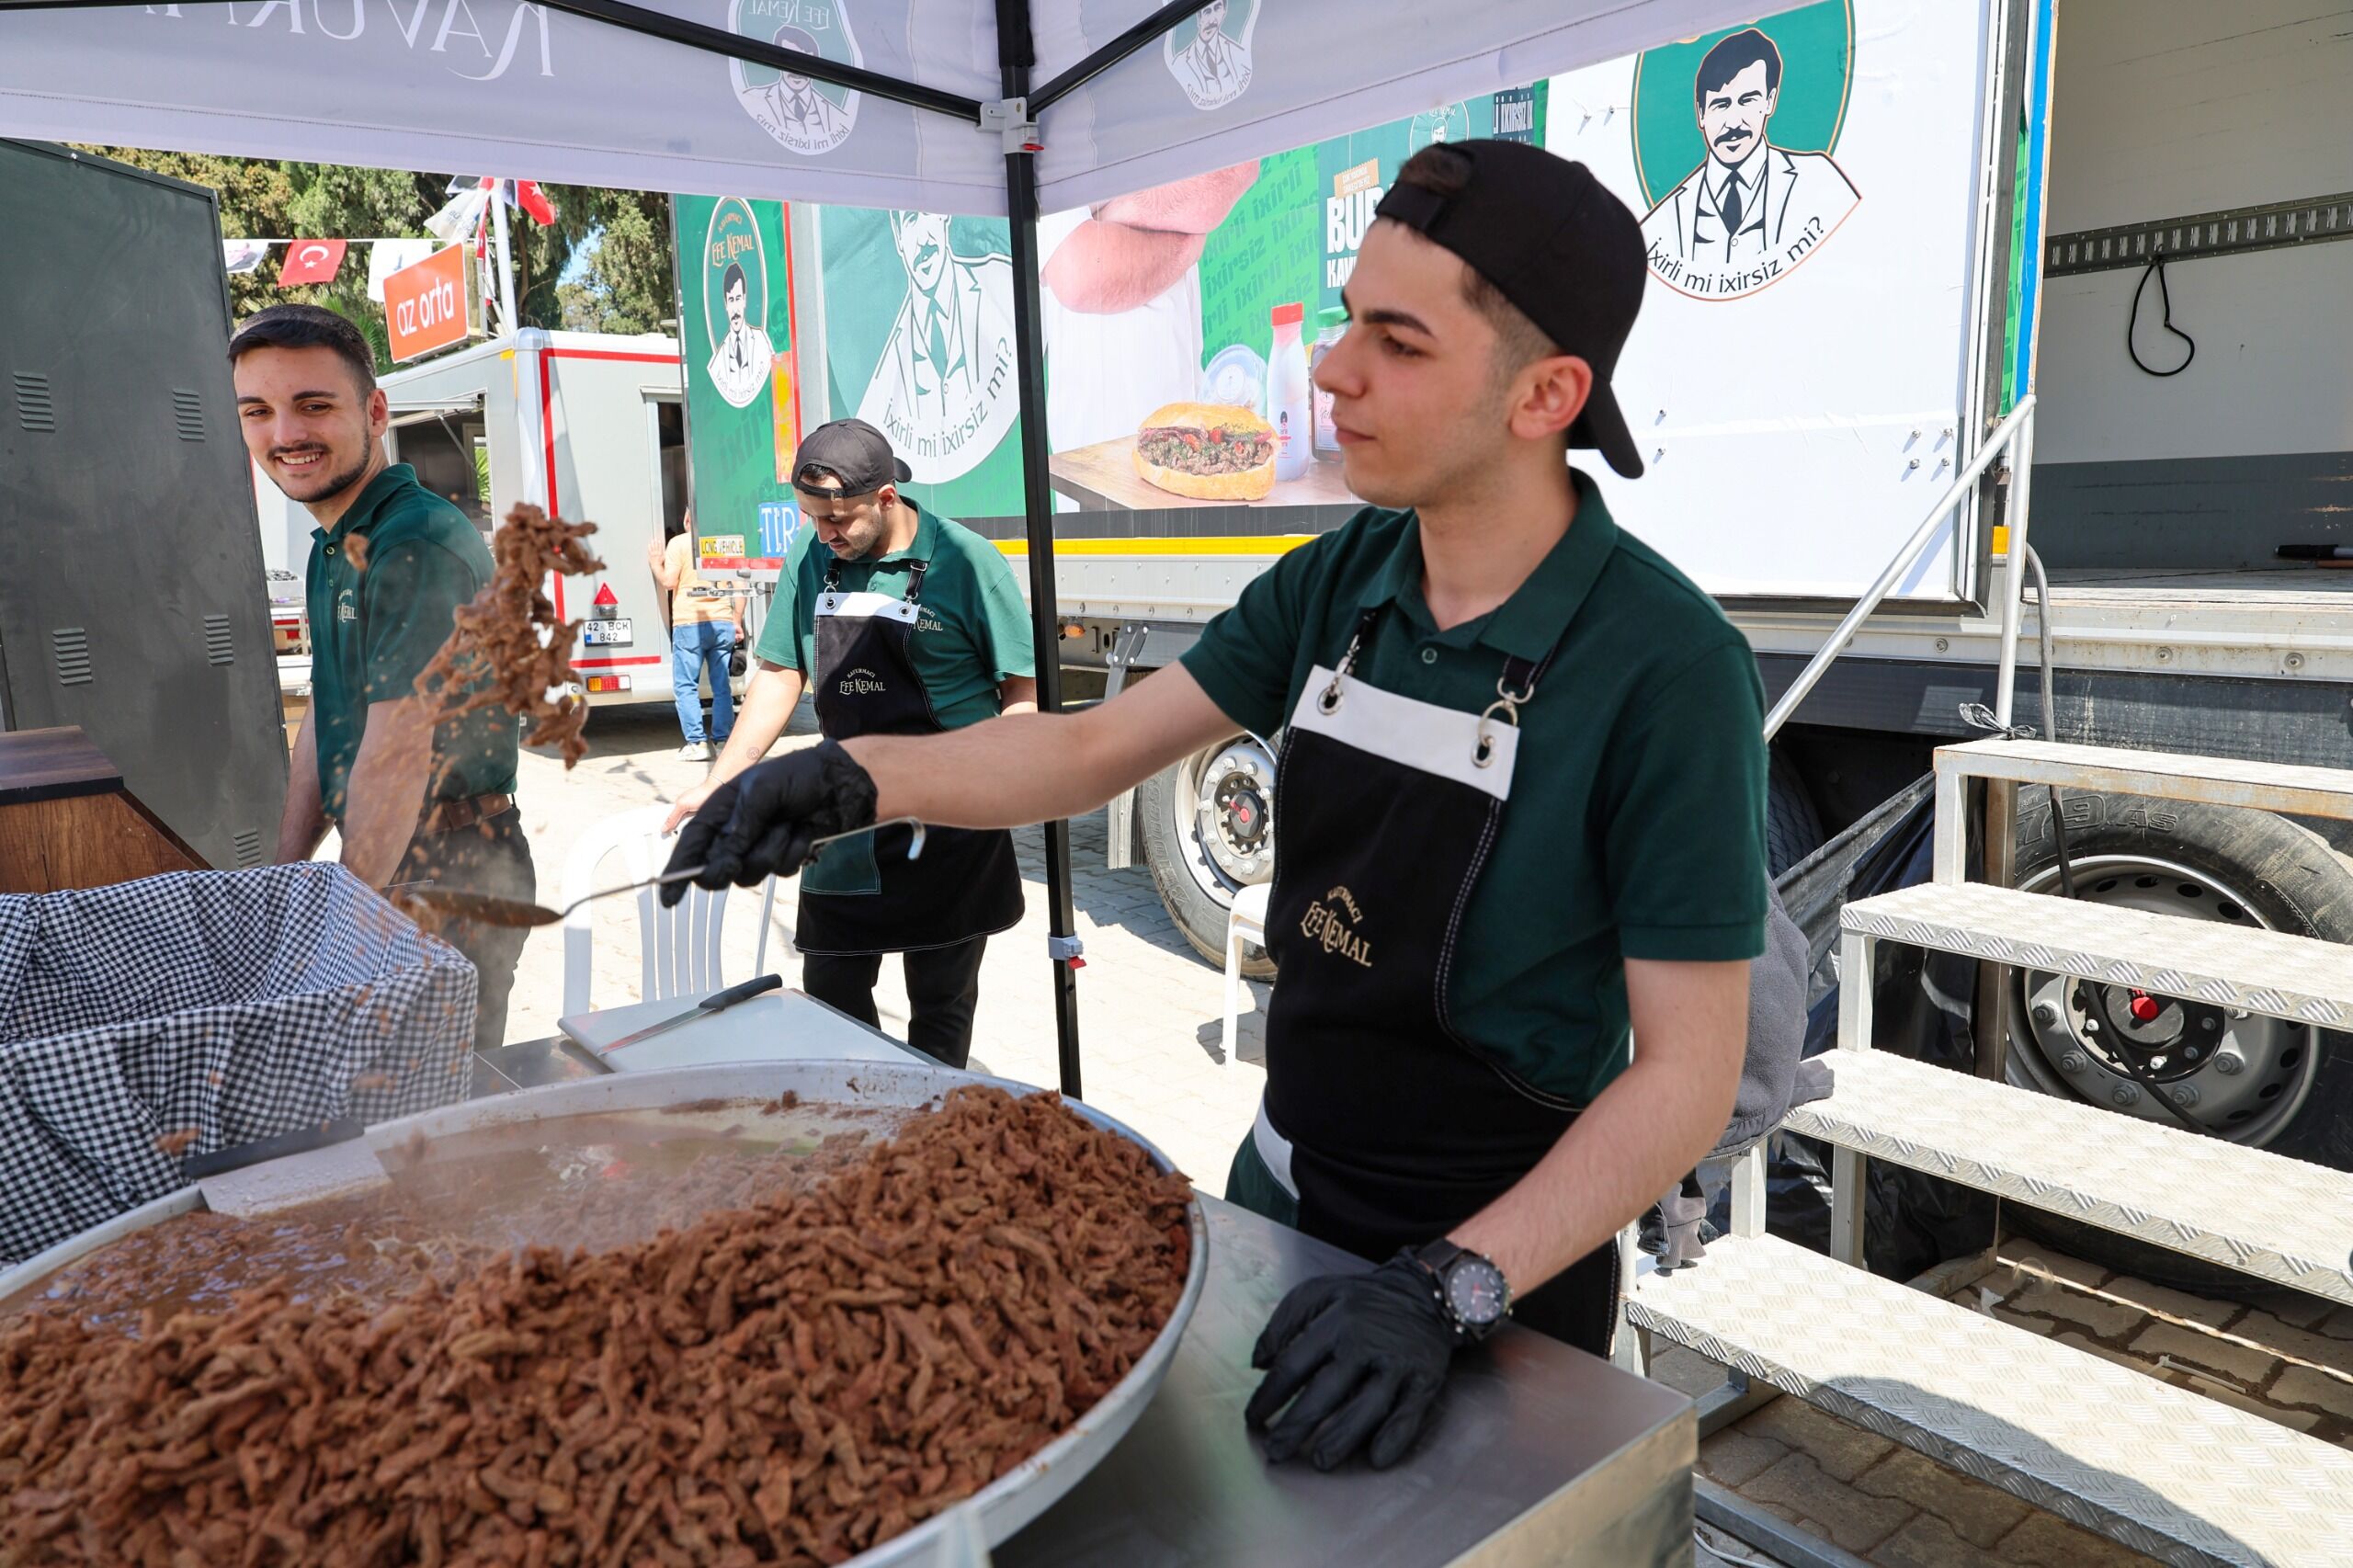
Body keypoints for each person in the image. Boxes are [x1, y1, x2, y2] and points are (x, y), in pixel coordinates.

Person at [666, 141, 1769, 1471]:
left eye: (1398, 342)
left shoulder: (1665, 665)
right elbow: (1091, 753)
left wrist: (1451, 1286)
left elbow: (1686, 1077)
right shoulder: (1339, 580)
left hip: (1501, 1277)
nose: (1332, 369)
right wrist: (852, 777)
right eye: (1349, 314)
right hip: (1282, 1196)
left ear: (1548, 394)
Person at [662, 419, 1038, 1068]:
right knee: (831, 997)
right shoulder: (814, 558)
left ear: (887, 498)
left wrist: (998, 779)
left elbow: (1022, 694)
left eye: (839, 520)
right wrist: (719, 779)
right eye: (812, 519)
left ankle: (929, 1142)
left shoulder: (970, 564)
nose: (825, 535)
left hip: (947, 823)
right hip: (844, 822)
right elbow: (781, 672)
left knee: (940, 1013)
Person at [234, 303, 533, 1052]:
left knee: (431, 1130)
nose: (284, 434)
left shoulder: (415, 543)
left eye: (313, 406)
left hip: (449, 869)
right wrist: (284, 882)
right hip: (399, 859)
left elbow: (395, 753)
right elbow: (328, 722)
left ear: (374, 409)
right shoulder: (337, 542)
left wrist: (348, 917)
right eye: (258, 411)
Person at [1039, 162, 1260, 452]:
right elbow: (1079, 275)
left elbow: (1233, 173)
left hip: (1187, 426)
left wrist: (1114, 212)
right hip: (1098, 448)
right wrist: (1185, 243)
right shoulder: (1055, 124)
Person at [1638, 28, 1859, 277]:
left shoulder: (1820, 182)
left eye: (1747, 101)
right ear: (1700, 114)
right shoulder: (1666, 220)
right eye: (1720, 105)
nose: (1733, 122)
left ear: (1770, 101)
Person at [648, 509, 743, 761]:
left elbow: (669, 581)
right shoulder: (725, 545)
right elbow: (740, 588)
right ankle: (723, 742)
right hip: (722, 622)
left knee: (686, 686)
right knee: (722, 686)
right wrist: (736, 621)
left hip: (690, 623)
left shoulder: (679, 543)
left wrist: (655, 564)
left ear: (687, 520)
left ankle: (697, 743)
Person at [708, 261, 775, 411]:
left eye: (738, 298)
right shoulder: (718, 361)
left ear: (744, 300)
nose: (735, 309)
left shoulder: (761, 342)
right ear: (725, 304)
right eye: (731, 300)